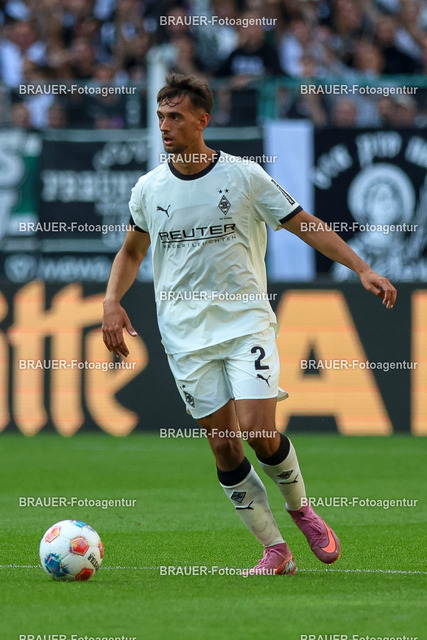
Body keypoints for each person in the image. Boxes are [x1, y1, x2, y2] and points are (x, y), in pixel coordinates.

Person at [102, 73, 397, 576]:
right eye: (160, 117)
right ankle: (275, 550)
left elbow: (305, 224)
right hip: (184, 337)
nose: (165, 126)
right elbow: (131, 252)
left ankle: (301, 510)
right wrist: (112, 300)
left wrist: (361, 268)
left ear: (202, 120)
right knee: (223, 444)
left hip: (245, 325)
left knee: (259, 430)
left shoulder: (243, 176)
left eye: (175, 117)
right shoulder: (149, 189)